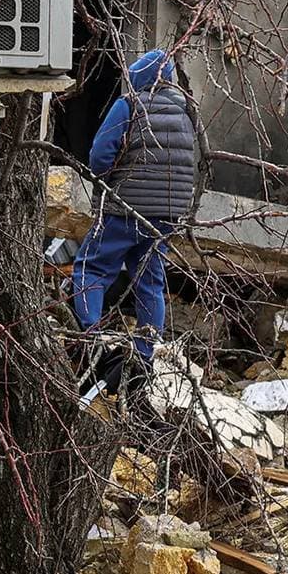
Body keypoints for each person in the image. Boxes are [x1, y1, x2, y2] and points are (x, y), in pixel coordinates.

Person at [71, 48, 198, 387]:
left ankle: (91, 340)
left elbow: (99, 157)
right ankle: (144, 358)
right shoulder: (186, 112)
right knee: (150, 282)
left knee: (92, 267)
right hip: (167, 214)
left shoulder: (129, 105)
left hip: (124, 207)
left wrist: (109, 178)